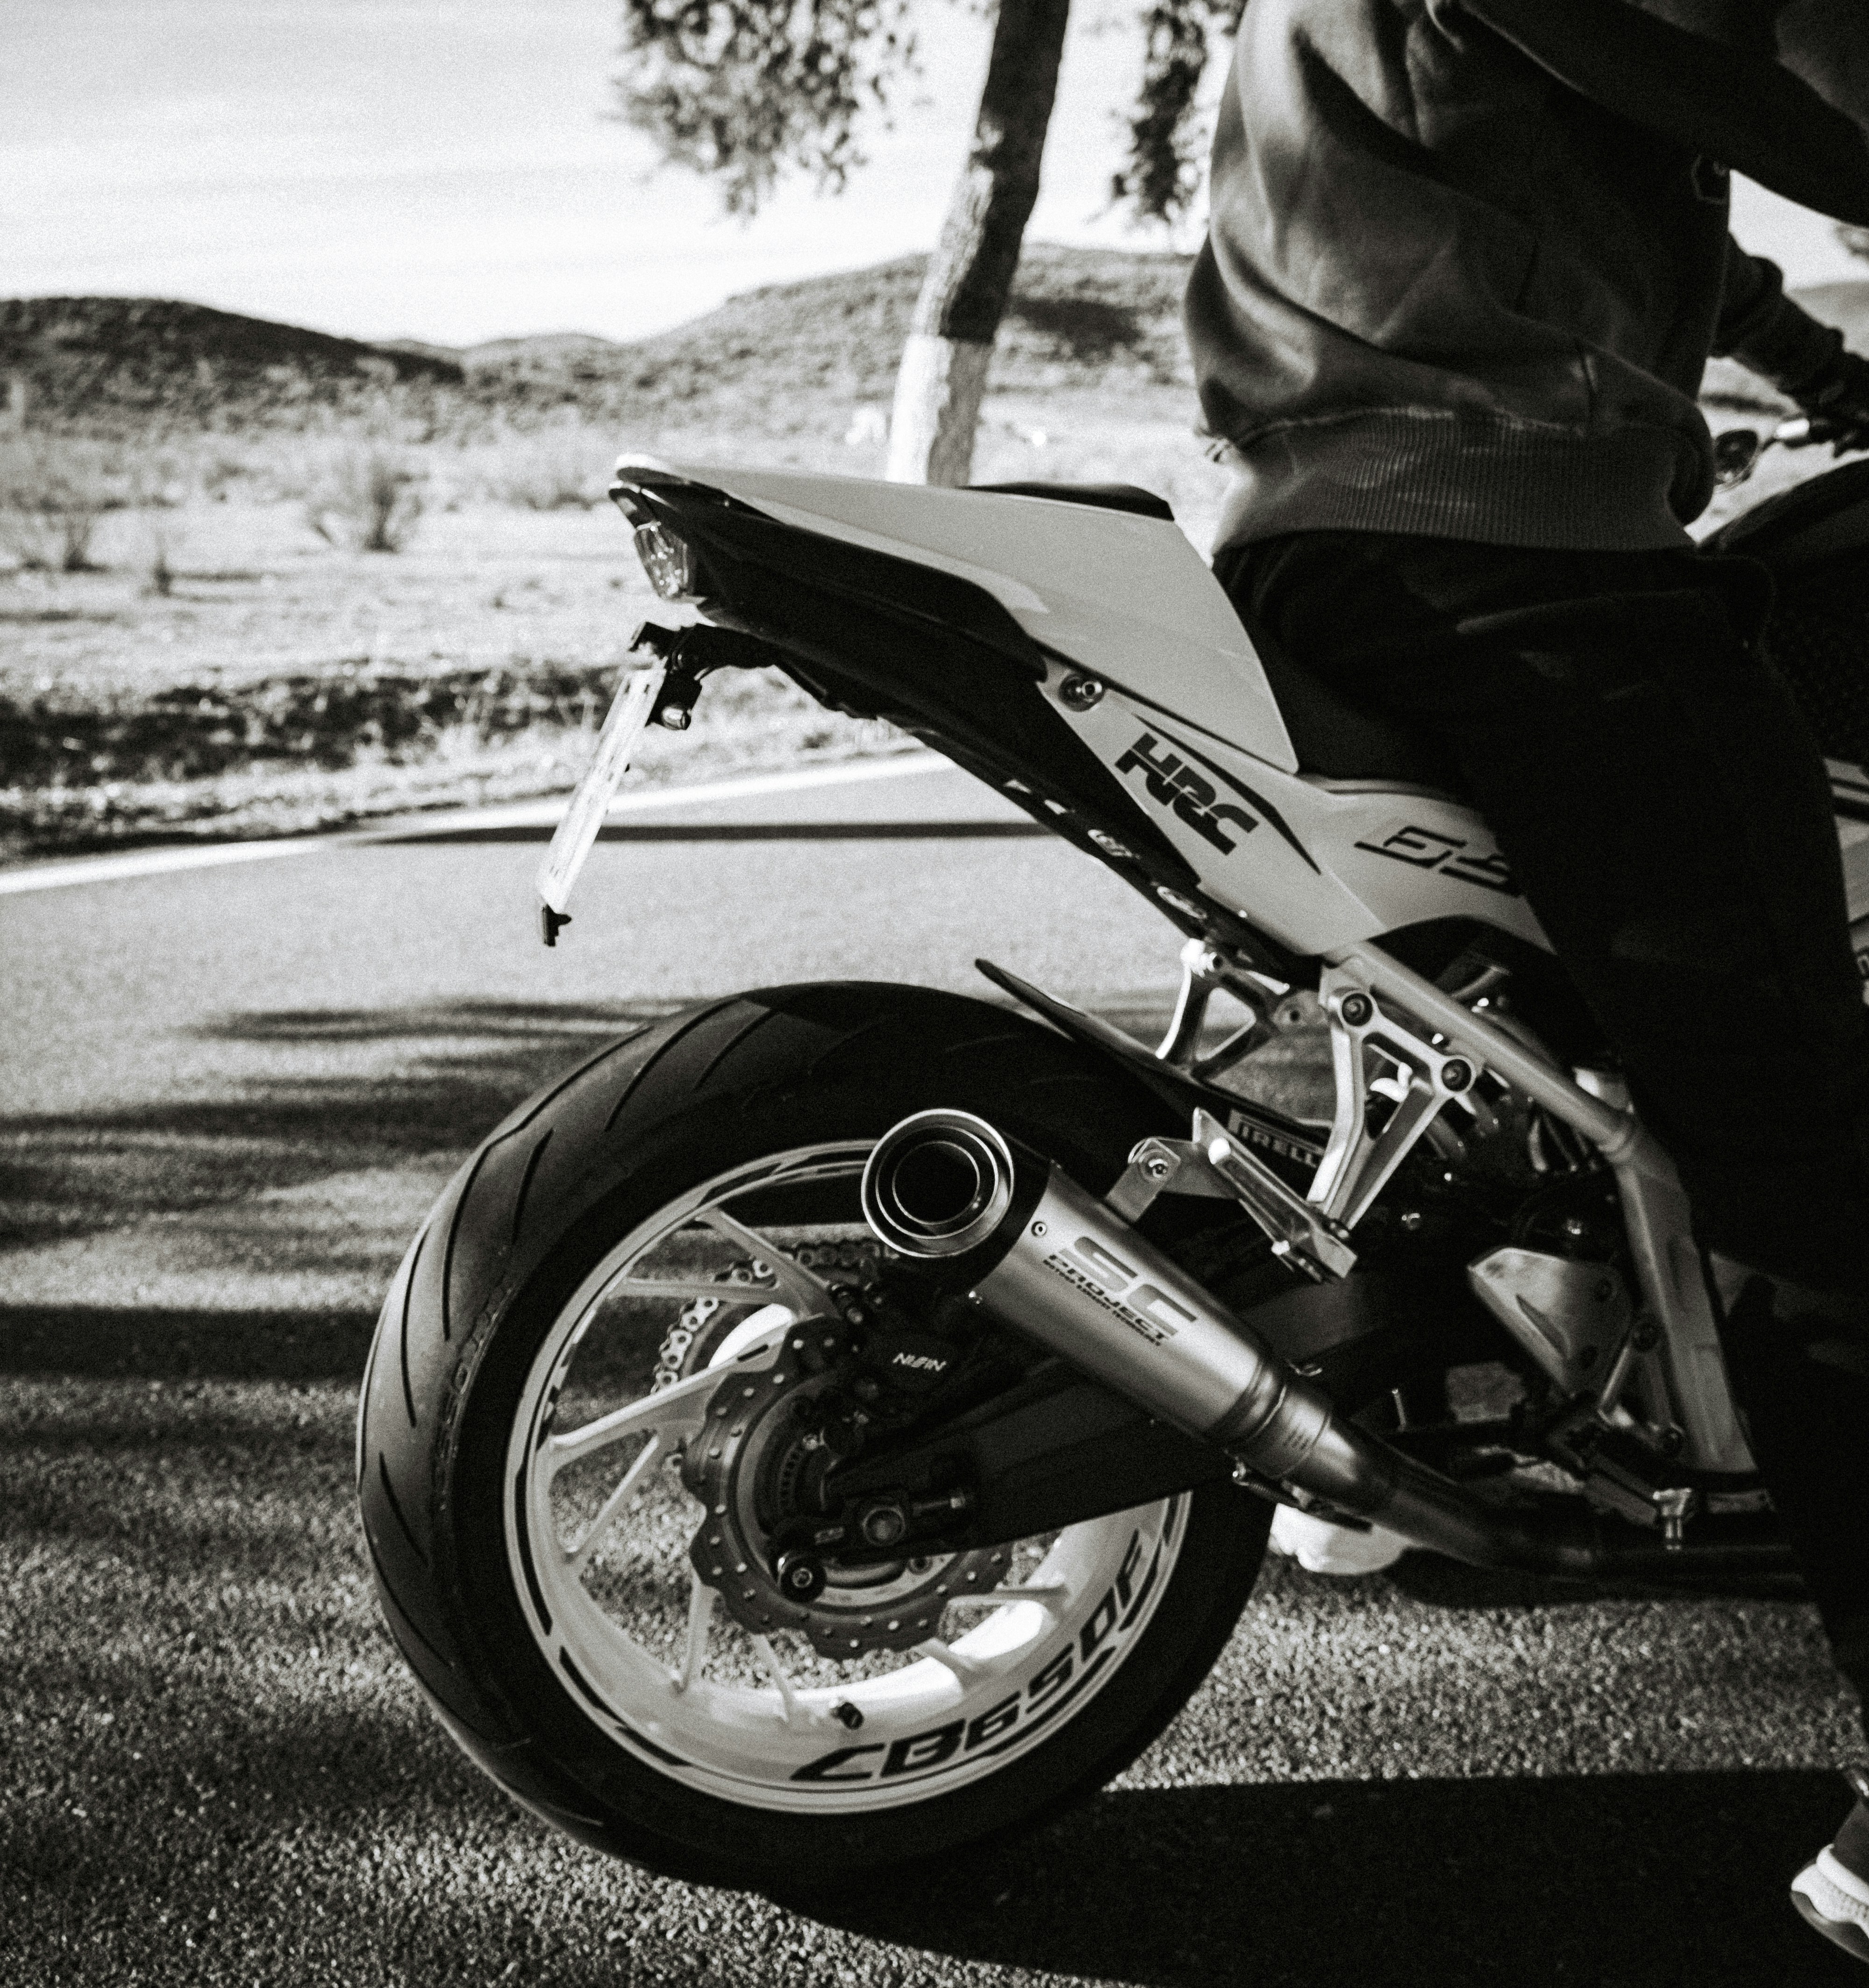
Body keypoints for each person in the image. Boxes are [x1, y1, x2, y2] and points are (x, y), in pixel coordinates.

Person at [1185, 0, 1869, 1961]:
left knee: (1528, 1019)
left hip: (1325, 534)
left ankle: (1418, 1412)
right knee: (1803, 1141)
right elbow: (1765, 87)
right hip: (1517, 540)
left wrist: (1823, 370)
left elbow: (1637, 165)